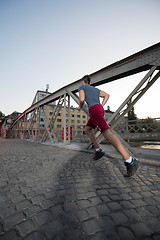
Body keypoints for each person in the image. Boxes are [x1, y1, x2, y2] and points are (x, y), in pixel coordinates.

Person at [78, 75, 139, 177]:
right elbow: (107, 95)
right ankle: (98, 150)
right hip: (99, 109)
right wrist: (101, 105)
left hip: (94, 111)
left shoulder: (82, 87)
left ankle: (130, 160)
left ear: (83, 81)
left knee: (106, 133)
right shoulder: (95, 89)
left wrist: (80, 105)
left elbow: (81, 99)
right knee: (88, 129)